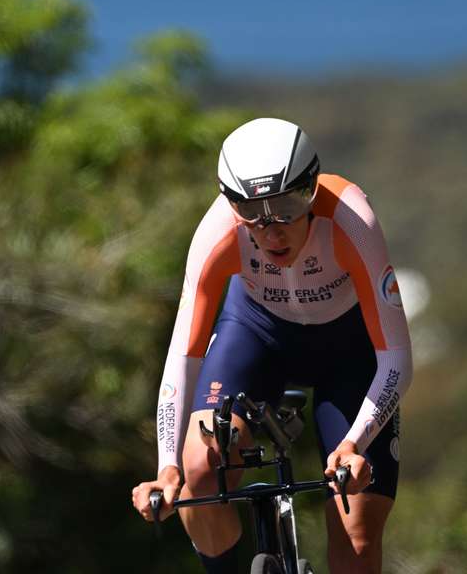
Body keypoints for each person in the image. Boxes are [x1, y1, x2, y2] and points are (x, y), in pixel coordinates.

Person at [131, 118, 412, 574]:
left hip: (349, 351)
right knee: (199, 472)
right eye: (251, 211)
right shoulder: (217, 232)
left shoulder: (351, 219)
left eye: (286, 206)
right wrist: (167, 467)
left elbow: (397, 358)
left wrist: (354, 443)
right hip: (258, 333)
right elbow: (183, 358)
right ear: (230, 203)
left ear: (312, 189)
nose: (271, 230)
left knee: (355, 531)